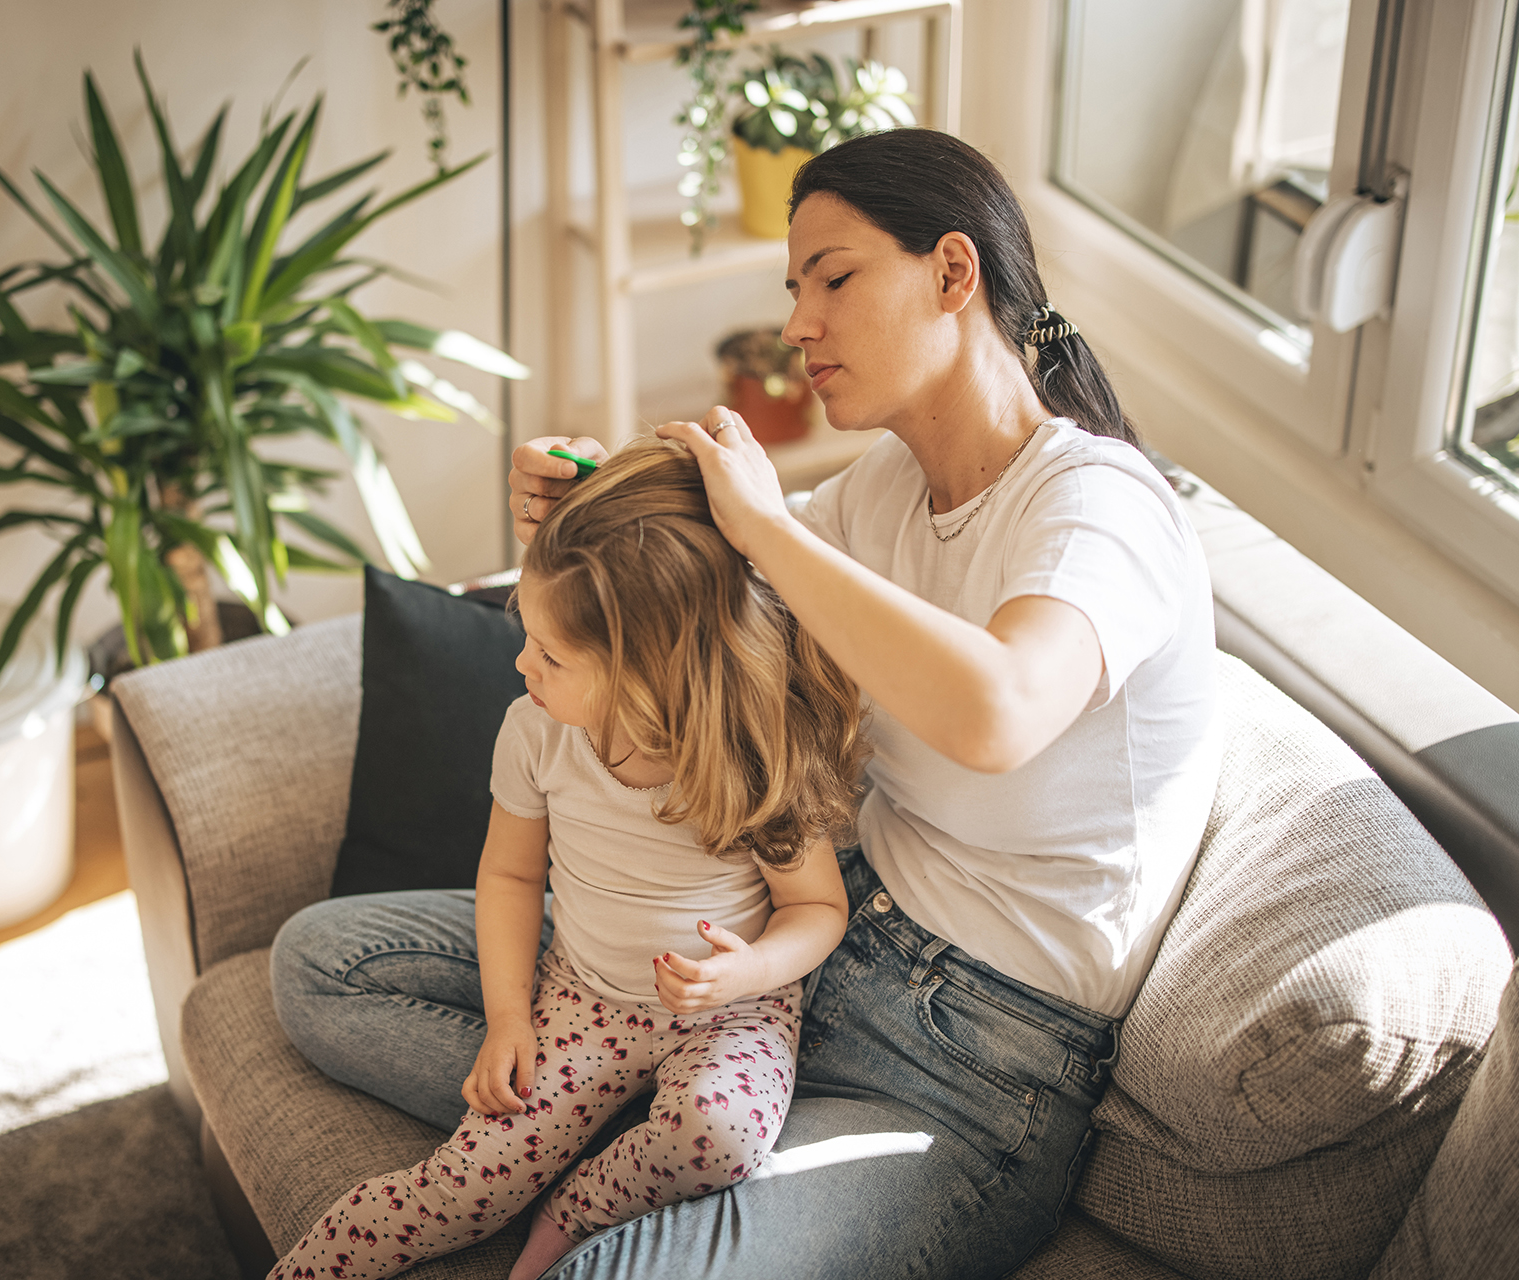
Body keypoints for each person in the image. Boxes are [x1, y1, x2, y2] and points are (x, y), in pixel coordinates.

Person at [276, 128, 1220, 1278]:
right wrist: (580, 495)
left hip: (968, 1060)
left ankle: (637, 1141)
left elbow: (999, 711)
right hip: (774, 958)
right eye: (793, 288)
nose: (797, 325)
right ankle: (626, 1114)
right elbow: (679, 585)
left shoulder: (1099, 504)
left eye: (834, 277)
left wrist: (768, 525)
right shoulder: (884, 490)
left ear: (953, 274)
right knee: (321, 963)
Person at [268, 441, 867, 1280]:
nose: (522, 664)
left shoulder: (750, 752)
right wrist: (509, 1019)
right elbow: (510, 877)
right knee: (463, 1186)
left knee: (720, 1134)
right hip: (582, 992)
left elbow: (819, 910)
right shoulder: (536, 732)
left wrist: (750, 971)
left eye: (551, 655)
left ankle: (579, 1204)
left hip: (730, 1011)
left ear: (651, 673)